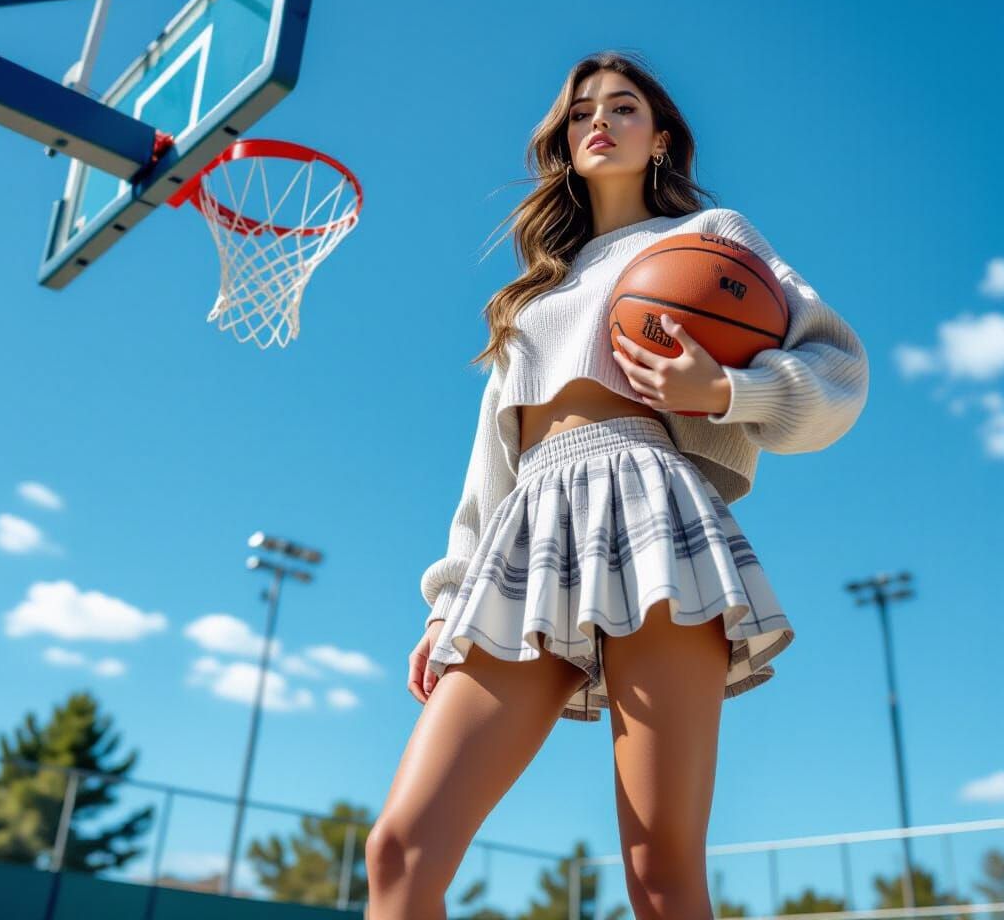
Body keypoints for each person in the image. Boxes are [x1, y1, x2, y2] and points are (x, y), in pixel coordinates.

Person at [364, 51, 869, 920]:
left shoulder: (711, 237)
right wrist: (446, 602)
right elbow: (493, 462)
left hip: (649, 510)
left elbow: (838, 368)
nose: (598, 120)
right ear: (563, 141)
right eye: (580, 111)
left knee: (660, 871)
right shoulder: (532, 293)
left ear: (660, 137)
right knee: (399, 852)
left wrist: (726, 391)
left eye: (624, 106)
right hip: (529, 529)